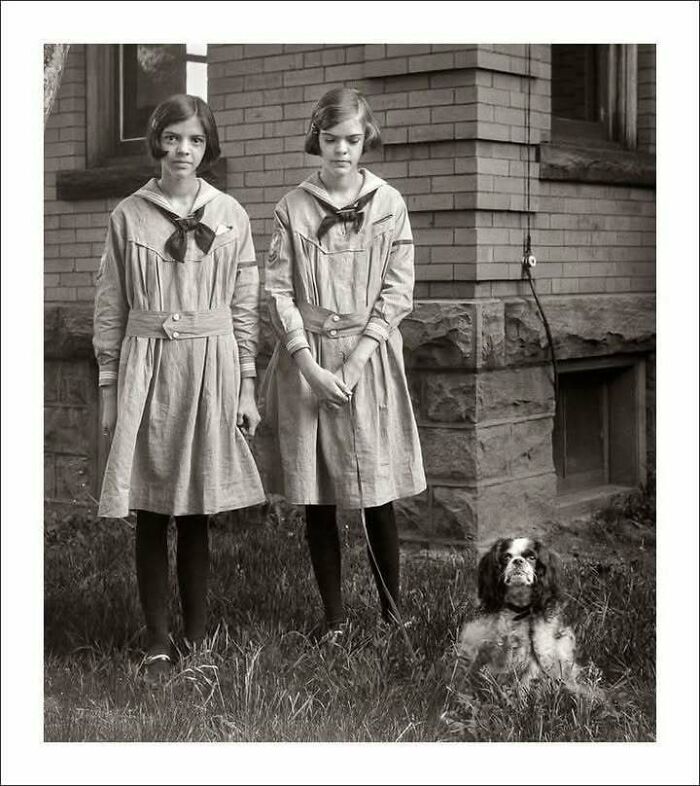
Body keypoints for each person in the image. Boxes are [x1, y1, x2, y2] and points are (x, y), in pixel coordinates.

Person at [93, 94, 266, 681]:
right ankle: (158, 639)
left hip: (210, 365)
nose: (181, 151)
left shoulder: (231, 215)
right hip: (148, 365)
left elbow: (245, 305)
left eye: (193, 140)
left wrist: (245, 385)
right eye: (171, 138)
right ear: (156, 142)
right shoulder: (128, 216)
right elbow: (110, 306)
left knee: (195, 508)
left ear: (206, 147)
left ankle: (197, 635)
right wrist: (110, 387)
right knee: (150, 506)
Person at [261, 86, 426, 640]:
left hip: (367, 358)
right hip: (309, 359)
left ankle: (391, 615)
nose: (341, 151)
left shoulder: (389, 204)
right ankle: (333, 618)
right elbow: (279, 291)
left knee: (374, 492)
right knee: (318, 495)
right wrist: (307, 363)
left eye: (352, 140)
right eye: (330, 140)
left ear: (366, 139)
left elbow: (399, 292)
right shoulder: (293, 207)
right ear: (317, 140)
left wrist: (355, 363)